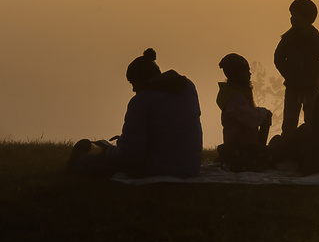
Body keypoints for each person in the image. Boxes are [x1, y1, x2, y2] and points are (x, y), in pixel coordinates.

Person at [69, 49, 203, 178]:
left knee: (106, 159)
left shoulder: (140, 101)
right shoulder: (188, 88)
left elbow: (129, 157)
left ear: (141, 79)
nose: (133, 89)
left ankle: (80, 162)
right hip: (191, 167)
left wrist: (110, 151)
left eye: (133, 83)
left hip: (160, 168)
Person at [272, 0, 319, 133]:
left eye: (295, 15)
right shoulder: (288, 39)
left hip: (312, 87)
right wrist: (289, 74)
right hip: (293, 87)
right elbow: (278, 59)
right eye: (291, 15)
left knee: (313, 121)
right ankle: (288, 148)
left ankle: (310, 148)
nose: (292, 19)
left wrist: (314, 72)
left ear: (307, 18)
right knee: (289, 122)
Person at [215, 53, 273, 171]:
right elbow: (251, 119)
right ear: (238, 74)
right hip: (240, 148)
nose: (250, 74)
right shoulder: (234, 97)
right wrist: (265, 113)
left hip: (244, 146)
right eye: (247, 71)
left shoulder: (237, 93)